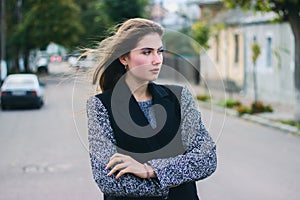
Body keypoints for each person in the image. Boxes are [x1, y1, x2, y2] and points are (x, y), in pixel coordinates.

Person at [86, 18, 217, 200]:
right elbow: (109, 181)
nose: (157, 60)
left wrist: (149, 169)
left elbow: (206, 158)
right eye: (147, 52)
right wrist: (175, 182)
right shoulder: (100, 106)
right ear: (124, 58)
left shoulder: (179, 97)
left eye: (160, 51)